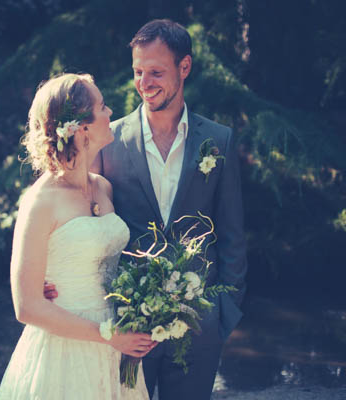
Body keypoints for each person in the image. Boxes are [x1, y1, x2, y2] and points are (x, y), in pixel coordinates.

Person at [45, 19, 248, 400]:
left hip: (200, 322)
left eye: (156, 72)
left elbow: (232, 231)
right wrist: (51, 272)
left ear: (184, 67)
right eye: (138, 72)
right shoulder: (107, 139)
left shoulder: (218, 140)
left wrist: (224, 312)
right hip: (126, 321)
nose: (145, 83)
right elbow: (77, 212)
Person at [0, 73, 156, 399]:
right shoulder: (41, 201)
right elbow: (26, 306)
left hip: (115, 347)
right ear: (81, 127)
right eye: (103, 106)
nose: (111, 112)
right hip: (65, 350)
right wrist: (109, 336)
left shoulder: (103, 186)